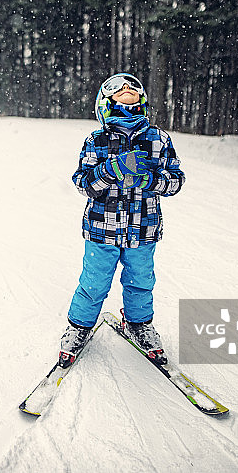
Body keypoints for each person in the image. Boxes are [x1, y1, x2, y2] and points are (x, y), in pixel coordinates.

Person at [59, 72, 185, 368]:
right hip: (101, 230)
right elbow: (83, 183)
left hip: (143, 230)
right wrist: (110, 170)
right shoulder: (97, 140)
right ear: (105, 101)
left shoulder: (158, 139)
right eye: (118, 88)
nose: (126, 88)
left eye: (132, 87)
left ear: (142, 100)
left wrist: (150, 180)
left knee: (140, 281)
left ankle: (138, 324)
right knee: (94, 282)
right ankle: (79, 327)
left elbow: (175, 181)